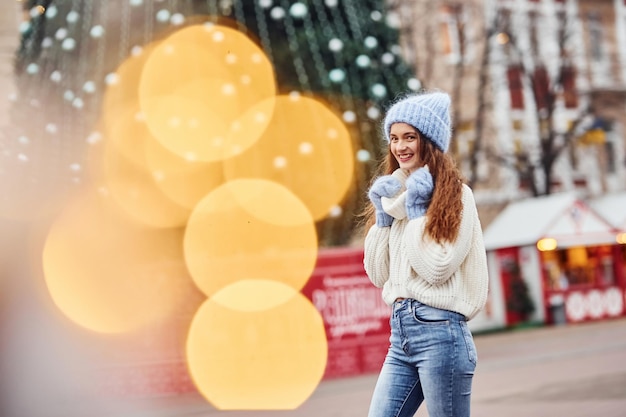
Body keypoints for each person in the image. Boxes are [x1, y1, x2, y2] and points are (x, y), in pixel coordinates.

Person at [362, 91, 489, 417]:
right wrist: (382, 218)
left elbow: (437, 267)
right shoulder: (395, 197)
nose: (400, 146)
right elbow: (378, 274)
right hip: (400, 336)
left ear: (429, 141)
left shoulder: (457, 196)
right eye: (394, 138)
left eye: (409, 137)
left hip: (441, 335)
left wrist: (419, 212)